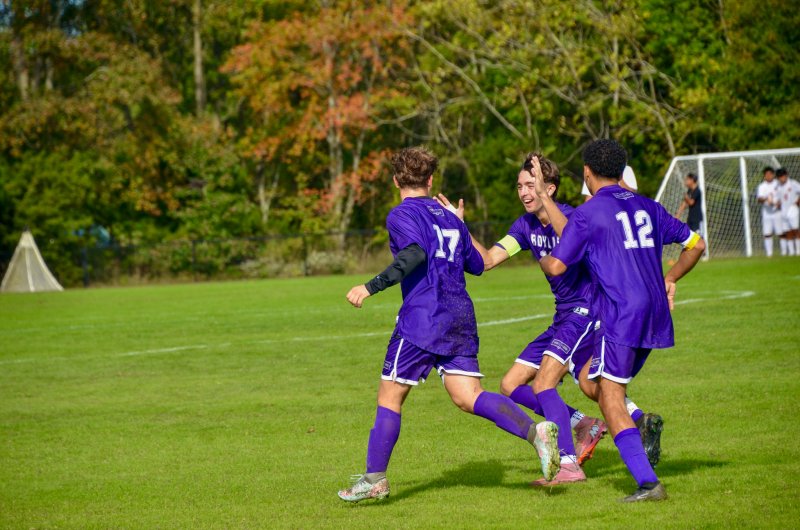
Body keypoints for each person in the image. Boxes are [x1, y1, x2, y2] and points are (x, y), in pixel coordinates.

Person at [337, 146, 560, 503]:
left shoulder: (400, 214)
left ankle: (374, 478)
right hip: (460, 317)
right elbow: (477, 264)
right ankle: (537, 433)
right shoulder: (449, 216)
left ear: (396, 181)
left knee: (390, 397)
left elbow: (413, 255)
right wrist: (457, 221)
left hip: (422, 320)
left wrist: (370, 286)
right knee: (468, 396)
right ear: (429, 180)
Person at [539, 139, 705, 502]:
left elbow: (557, 265)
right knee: (590, 381)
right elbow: (696, 244)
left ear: (586, 172)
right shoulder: (648, 205)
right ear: (621, 169)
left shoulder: (588, 213)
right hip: (655, 313)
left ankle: (648, 484)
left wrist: (543, 258)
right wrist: (671, 278)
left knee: (610, 398)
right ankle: (639, 422)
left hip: (621, 313)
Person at [436, 153, 607, 486]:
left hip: (587, 311)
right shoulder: (525, 226)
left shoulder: (572, 218)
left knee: (544, 384)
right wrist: (459, 225)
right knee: (510, 384)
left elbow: (575, 240)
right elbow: (486, 261)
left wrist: (546, 200)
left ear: (550, 187)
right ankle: (585, 424)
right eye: (520, 186)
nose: (524, 192)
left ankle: (570, 464)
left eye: (532, 185)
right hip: (563, 316)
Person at [775, 168, 800, 256]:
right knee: (787, 231)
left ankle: (798, 251)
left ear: (786, 175)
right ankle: (791, 252)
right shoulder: (778, 186)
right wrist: (777, 203)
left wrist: (798, 201)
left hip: (793, 209)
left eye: (783, 176)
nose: (781, 178)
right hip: (783, 210)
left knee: (795, 230)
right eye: (779, 177)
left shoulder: (793, 183)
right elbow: (778, 198)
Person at [756, 167, 780, 257]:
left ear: (773, 175)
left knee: (781, 232)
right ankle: (769, 253)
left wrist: (778, 203)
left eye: (770, 174)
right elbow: (759, 199)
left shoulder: (778, 184)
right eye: (766, 175)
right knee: (767, 233)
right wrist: (766, 198)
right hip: (767, 212)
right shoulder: (762, 186)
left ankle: (786, 252)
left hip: (778, 212)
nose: (768, 176)